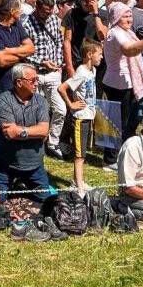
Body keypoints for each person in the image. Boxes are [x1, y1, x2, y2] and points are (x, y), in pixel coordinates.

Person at [103, 2, 143, 165]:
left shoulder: (127, 32)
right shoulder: (115, 33)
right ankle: (110, 160)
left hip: (129, 84)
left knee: (130, 122)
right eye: (125, 16)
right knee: (115, 123)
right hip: (117, 85)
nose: (129, 18)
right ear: (116, 18)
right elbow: (130, 50)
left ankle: (124, 153)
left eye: (130, 15)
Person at [0, 0, 35, 140]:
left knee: (16, 123)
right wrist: (21, 54)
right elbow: (0, 61)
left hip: (18, 87)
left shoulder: (17, 26)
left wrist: (9, 50)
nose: (21, 11)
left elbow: (30, 48)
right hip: (0, 87)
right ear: (12, 11)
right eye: (19, 8)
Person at [0, 64, 51, 202]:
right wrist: (33, 132)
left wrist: (21, 131)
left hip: (34, 165)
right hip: (6, 164)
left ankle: (21, 186)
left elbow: (44, 130)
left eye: (37, 79)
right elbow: (9, 133)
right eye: (33, 80)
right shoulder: (3, 99)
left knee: (47, 202)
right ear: (19, 82)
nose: (37, 83)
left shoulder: (41, 102)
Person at [24, 0, 68, 159]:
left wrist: (57, 62)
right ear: (37, 7)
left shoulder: (54, 21)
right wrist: (41, 62)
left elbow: (58, 43)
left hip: (53, 74)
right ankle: (36, 143)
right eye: (44, 12)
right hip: (35, 72)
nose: (47, 16)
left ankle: (53, 142)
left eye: (50, 12)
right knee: (36, 111)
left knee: (60, 109)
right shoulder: (26, 23)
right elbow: (24, 52)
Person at [58, 39, 102, 191]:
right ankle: (79, 187)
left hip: (89, 115)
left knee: (83, 152)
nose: (101, 57)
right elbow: (62, 88)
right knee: (80, 155)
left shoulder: (92, 71)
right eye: (99, 54)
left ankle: (78, 181)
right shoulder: (81, 72)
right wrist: (71, 104)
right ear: (90, 55)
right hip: (80, 118)